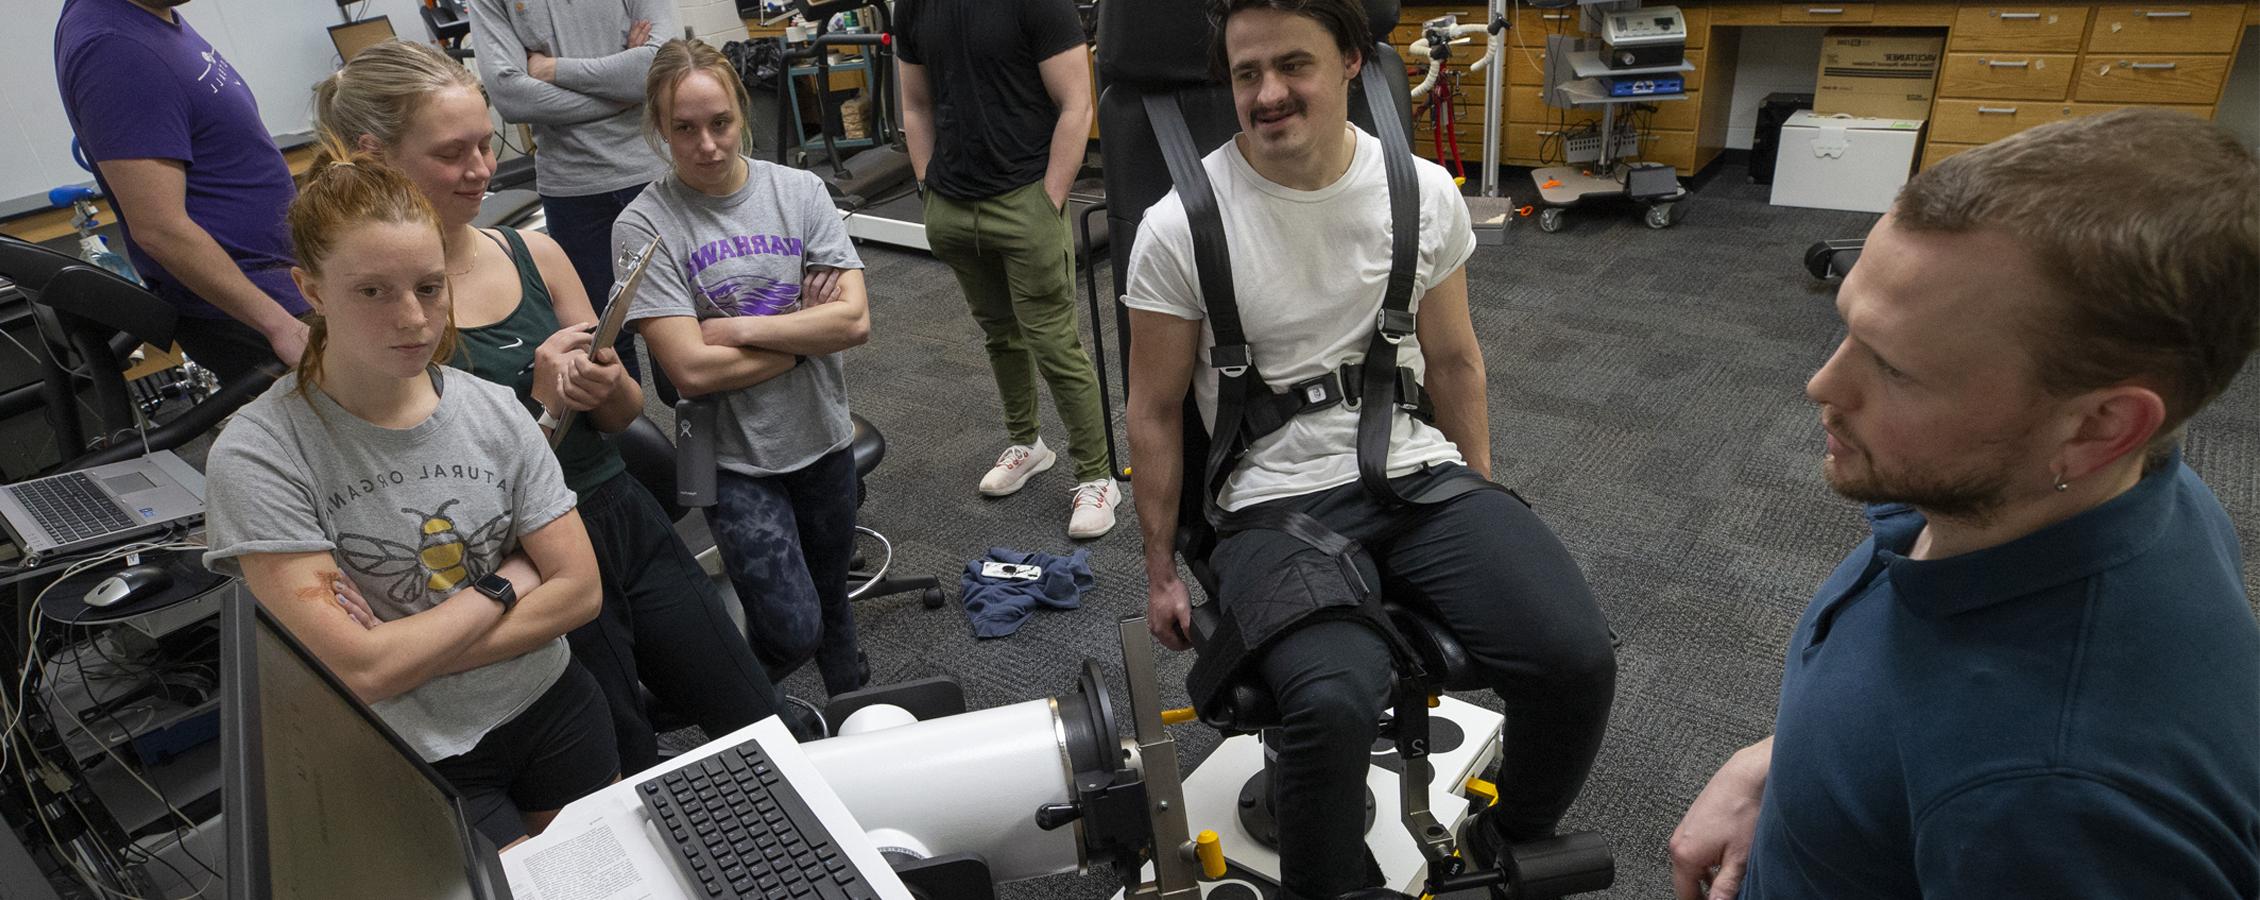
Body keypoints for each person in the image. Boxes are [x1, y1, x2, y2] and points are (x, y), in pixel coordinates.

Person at [1667, 109, 2260, 900]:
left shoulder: (2058, 803)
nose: (1824, 387)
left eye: (1898, 371)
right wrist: (1783, 766)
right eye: (1847, 329)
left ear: (2099, 426)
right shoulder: (2069, 493)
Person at [1121, 3, 1617, 898]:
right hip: (1270, 504)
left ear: (1353, 61)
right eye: (1245, 74)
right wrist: (1160, 568)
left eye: (1293, 66)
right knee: (1332, 704)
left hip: (1417, 475)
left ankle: (1506, 838)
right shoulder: (1179, 223)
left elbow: (1457, 359)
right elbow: (1154, 412)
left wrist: (1483, 497)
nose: (1268, 94)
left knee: (1575, 658)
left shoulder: (1418, 192)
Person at [313, 39, 811, 771]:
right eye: (453, 153)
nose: (481, 169)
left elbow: (623, 413)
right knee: (624, 758)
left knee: (749, 708)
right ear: (375, 154)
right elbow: (441, 494)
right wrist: (541, 411)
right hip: (527, 554)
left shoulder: (531, 254)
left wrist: (604, 387)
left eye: (487, 145)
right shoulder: (386, 316)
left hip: (615, 510)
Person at [202, 146, 615, 846]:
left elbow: (579, 593)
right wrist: (505, 584)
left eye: (429, 287)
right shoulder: (259, 454)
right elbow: (359, 671)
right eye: (373, 291)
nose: (414, 319)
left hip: (553, 707)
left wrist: (404, 651)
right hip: (422, 752)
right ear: (310, 290)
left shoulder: (492, 409)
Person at [616, 39, 873, 697]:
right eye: (684, 128)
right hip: (717, 453)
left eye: (720, 122)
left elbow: (854, 323)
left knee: (833, 606)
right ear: (658, 128)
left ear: (741, 114)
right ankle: (733, 705)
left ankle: (855, 714)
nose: (706, 144)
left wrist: (734, 329)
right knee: (789, 629)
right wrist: (801, 337)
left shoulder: (800, 191)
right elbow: (690, 374)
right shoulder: (641, 225)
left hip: (819, 429)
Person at [896, 0, 1122, 539]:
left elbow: (1076, 104)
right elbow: (916, 105)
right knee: (999, 334)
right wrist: (929, 189)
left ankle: (1096, 475)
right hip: (952, 202)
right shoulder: (913, 5)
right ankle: (1028, 443)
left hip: (1025, 197)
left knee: (1052, 341)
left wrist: (1049, 200)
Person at [53, 0, 309, 383]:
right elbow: (159, 228)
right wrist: (281, 327)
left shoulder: (151, 15)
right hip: (260, 309)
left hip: (286, 281)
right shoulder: (113, 46)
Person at [468, 0, 675, 383]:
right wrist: (622, 91)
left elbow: (656, 70)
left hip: (651, 173)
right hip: (571, 189)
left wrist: (553, 69)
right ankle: (626, 439)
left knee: (676, 319)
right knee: (601, 339)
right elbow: (511, 97)